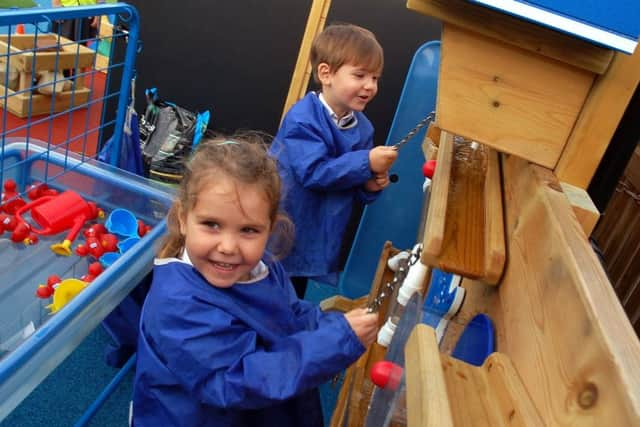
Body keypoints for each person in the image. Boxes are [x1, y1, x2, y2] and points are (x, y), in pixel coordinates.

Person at [132, 133, 379, 427]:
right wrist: (334, 343)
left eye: (248, 230)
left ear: (269, 228)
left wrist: (334, 326)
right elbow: (233, 380)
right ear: (183, 219)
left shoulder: (262, 267)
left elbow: (290, 313)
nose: (228, 246)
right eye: (212, 225)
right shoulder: (177, 304)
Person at [270, 23, 398, 298]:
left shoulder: (363, 128)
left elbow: (349, 184)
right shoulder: (302, 119)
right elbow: (314, 172)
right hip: (282, 227)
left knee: (292, 296)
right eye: (360, 75)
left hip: (316, 234)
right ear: (326, 74)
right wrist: (367, 162)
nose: (370, 86)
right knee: (265, 291)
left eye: (375, 78)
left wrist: (368, 187)